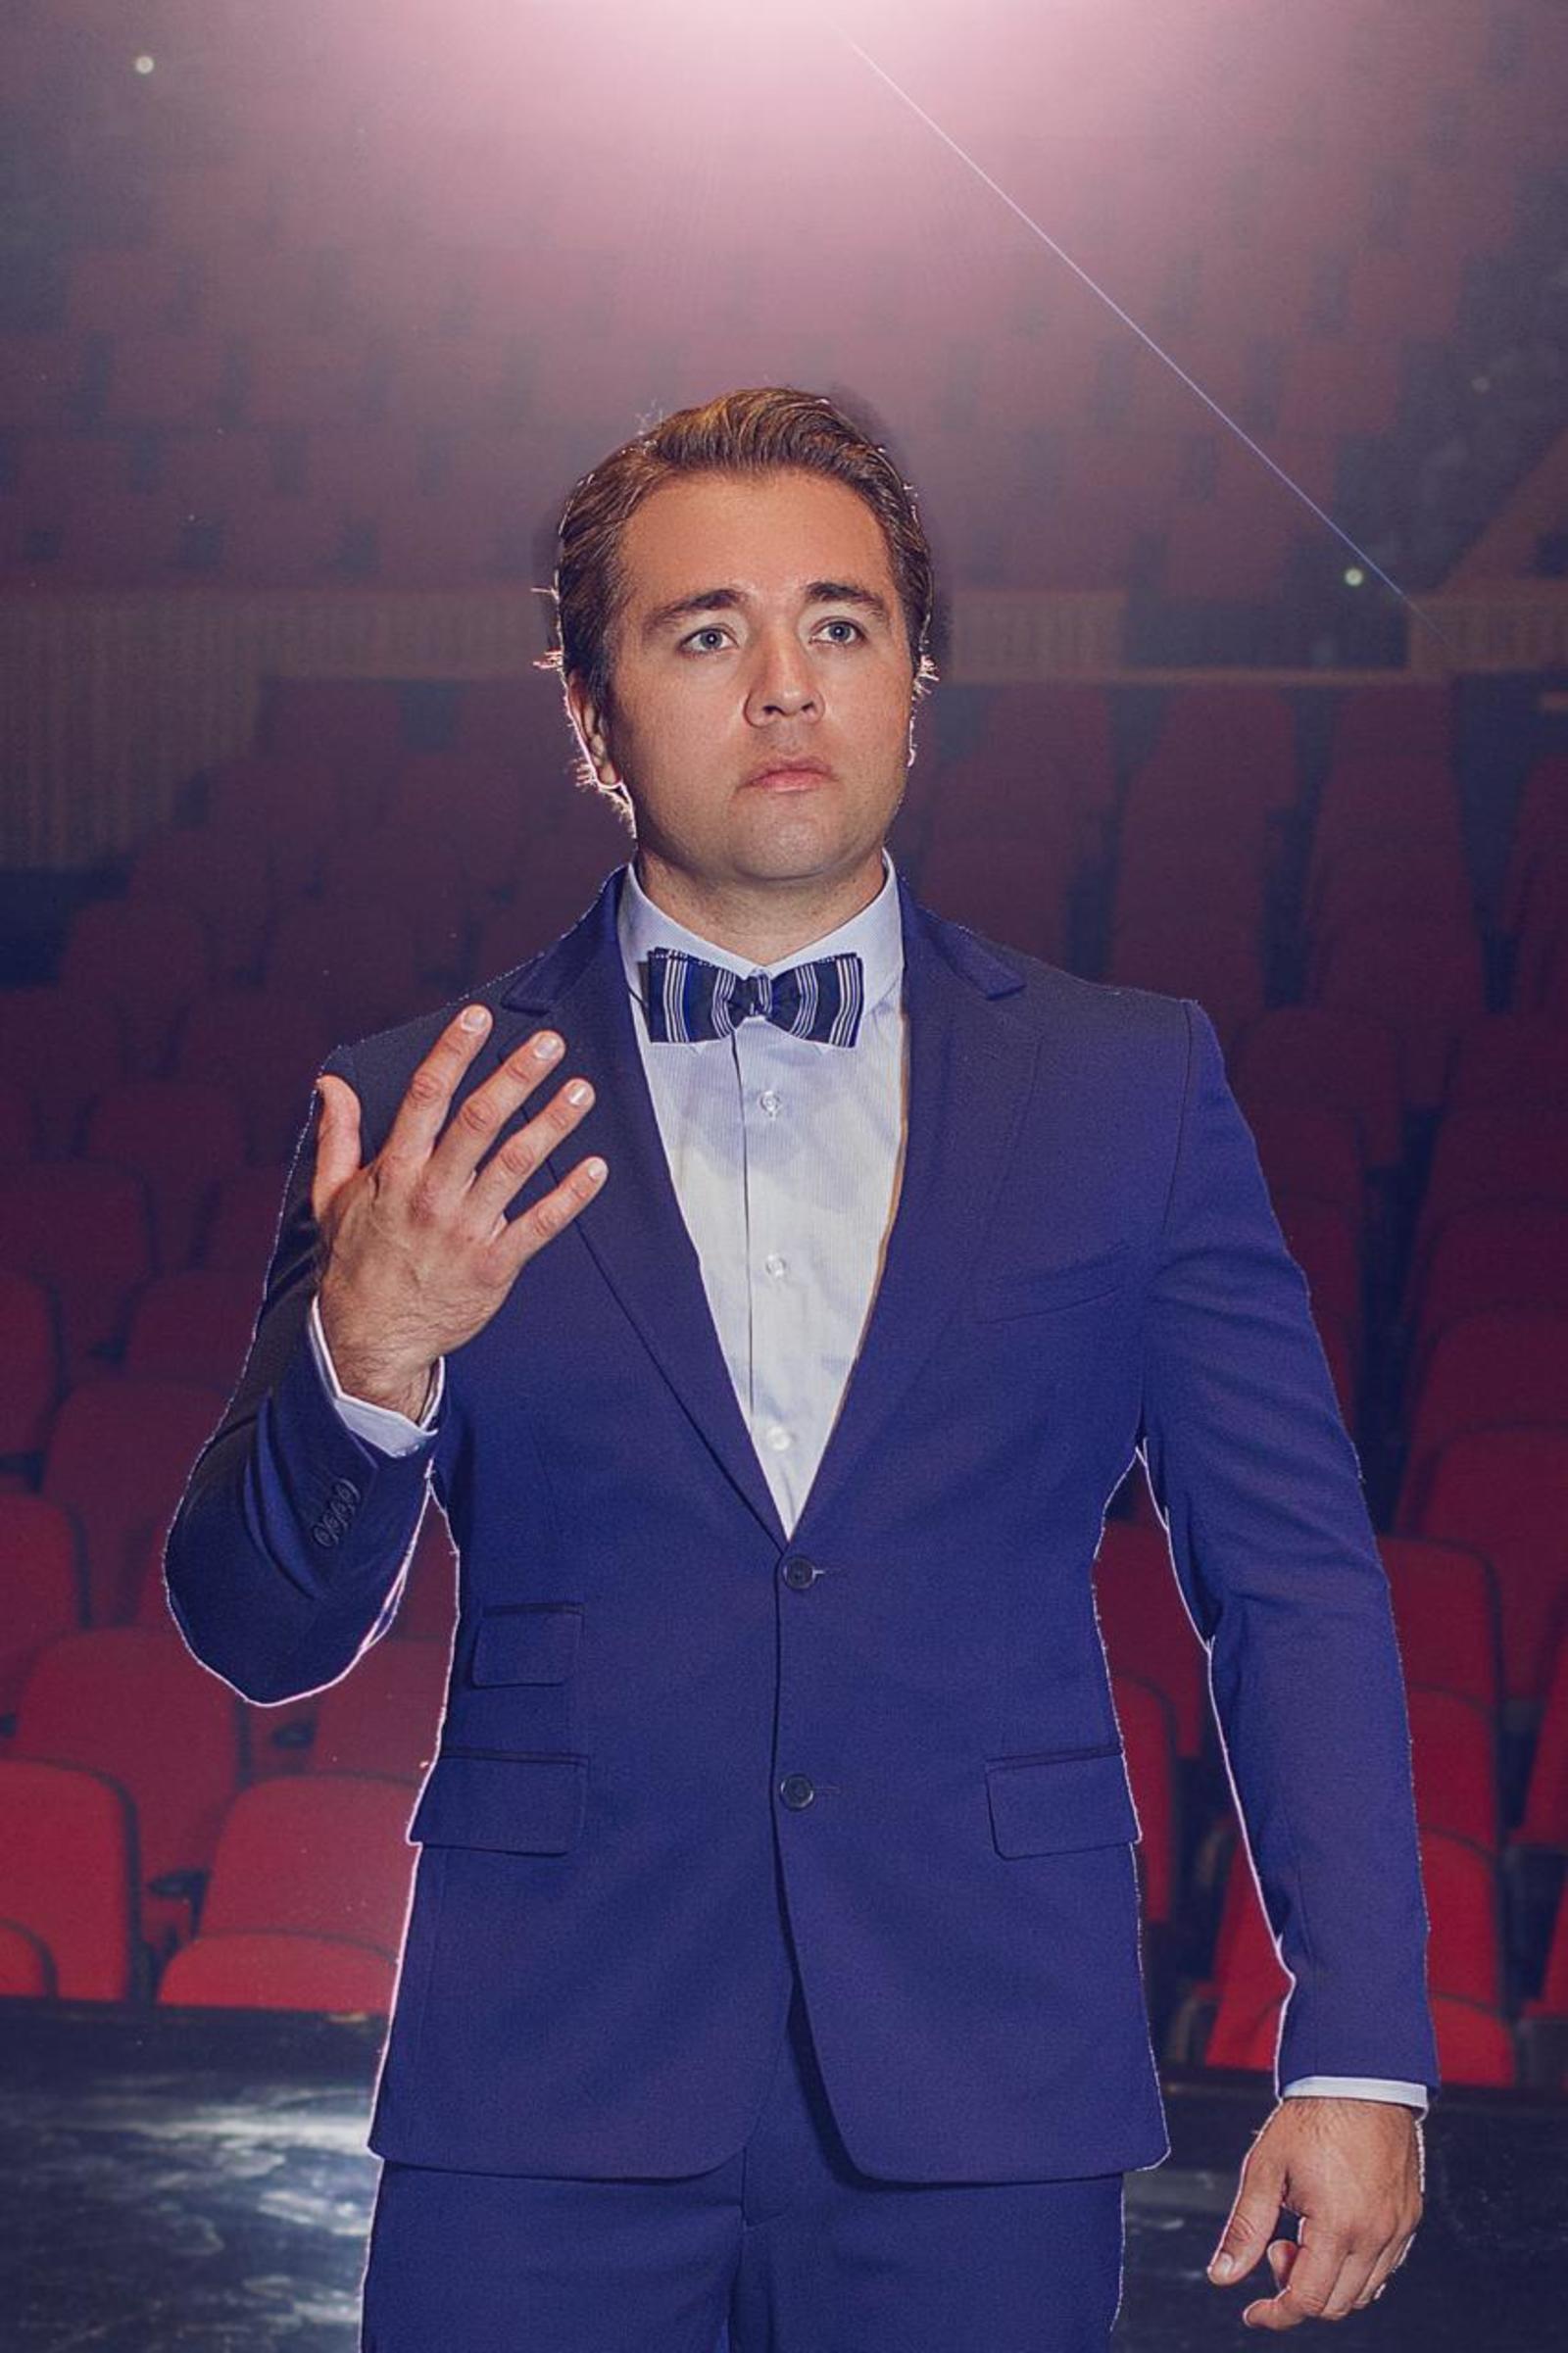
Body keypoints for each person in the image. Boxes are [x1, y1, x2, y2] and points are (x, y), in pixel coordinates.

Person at [165, 385, 1437, 2350]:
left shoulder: (1129, 1088)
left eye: (839, 624)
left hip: (984, 2091)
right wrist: (373, 1350)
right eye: (705, 632)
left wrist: (1357, 2042)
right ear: (589, 713)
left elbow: (1291, 1580)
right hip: (538, 2097)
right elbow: (255, 1630)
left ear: (915, 681)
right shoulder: (425, 1100)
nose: (784, 686)